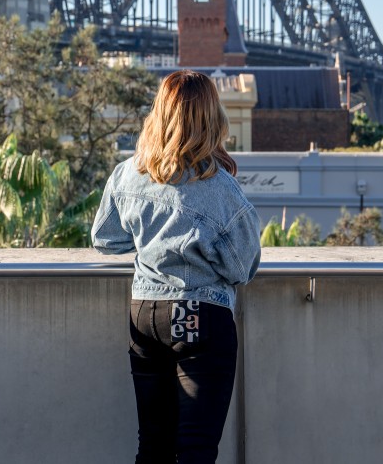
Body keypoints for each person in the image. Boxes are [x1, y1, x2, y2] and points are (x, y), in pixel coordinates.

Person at [92, 69, 262, 464]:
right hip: (199, 316)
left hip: (144, 314)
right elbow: (243, 268)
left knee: (152, 445)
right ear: (211, 118)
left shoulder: (128, 173)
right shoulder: (221, 188)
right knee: (195, 451)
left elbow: (106, 239)